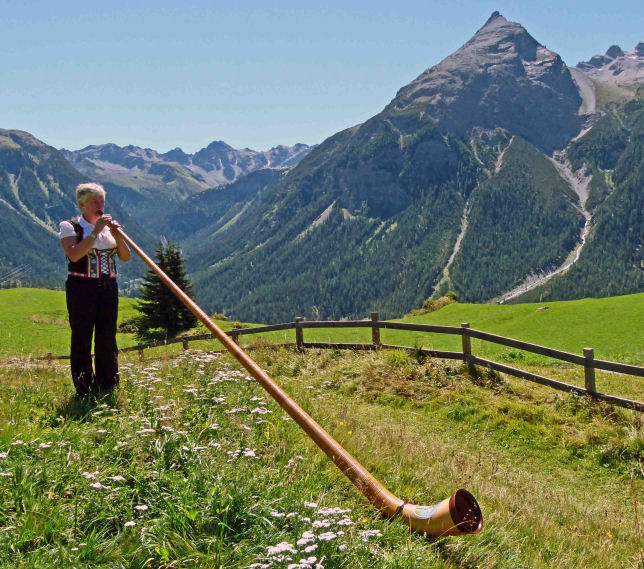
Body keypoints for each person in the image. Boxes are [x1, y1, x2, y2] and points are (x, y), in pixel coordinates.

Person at [59, 183, 131, 397]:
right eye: (94, 202)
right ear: (82, 205)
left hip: (109, 286)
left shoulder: (110, 229)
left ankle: (108, 384)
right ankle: (84, 388)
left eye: (101, 201)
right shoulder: (70, 226)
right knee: (82, 336)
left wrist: (117, 235)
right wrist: (95, 232)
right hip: (81, 287)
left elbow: (125, 257)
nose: (99, 205)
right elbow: (73, 255)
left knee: (107, 336)